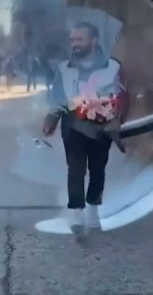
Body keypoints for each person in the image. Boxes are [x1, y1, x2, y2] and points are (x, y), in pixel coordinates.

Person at [42, 21, 126, 233]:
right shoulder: (64, 68)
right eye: (72, 40)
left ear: (93, 40)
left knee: (98, 168)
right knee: (76, 169)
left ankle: (93, 208)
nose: (74, 44)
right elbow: (57, 97)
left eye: (79, 39)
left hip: (102, 126)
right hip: (73, 124)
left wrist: (117, 117)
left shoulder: (113, 66)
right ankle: (77, 211)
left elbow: (123, 95)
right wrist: (52, 118)